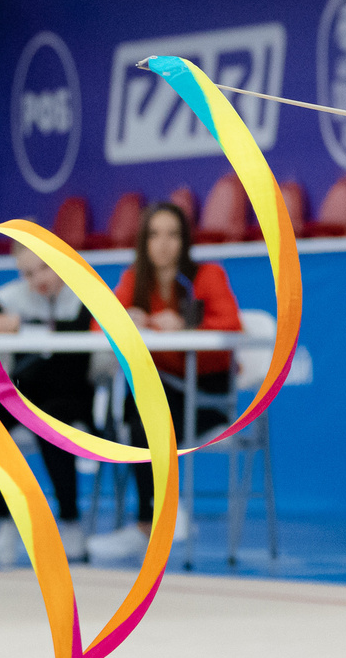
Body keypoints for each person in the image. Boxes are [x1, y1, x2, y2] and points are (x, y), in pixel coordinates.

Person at [85, 199, 241, 566]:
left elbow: (231, 326)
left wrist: (189, 327)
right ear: (143, 241)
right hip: (161, 391)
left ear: (185, 240)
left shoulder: (208, 276)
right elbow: (98, 325)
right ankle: (157, 515)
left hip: (206, 395)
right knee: (137, 411)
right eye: (154, 235)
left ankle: (152, 520)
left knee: (144, 415)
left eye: (173, 234)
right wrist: (126, 318)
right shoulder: (133, 279)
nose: (164, 243)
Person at [0, 241, 95, 567]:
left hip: (73, 399)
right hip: (22, 397)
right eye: (27, 273)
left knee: (52, 421)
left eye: (44, 267)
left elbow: (82, 332)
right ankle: (6, 518)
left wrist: (26, 327)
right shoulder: (7, 299)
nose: (37, 278)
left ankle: (69, 518)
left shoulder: (85, 297)